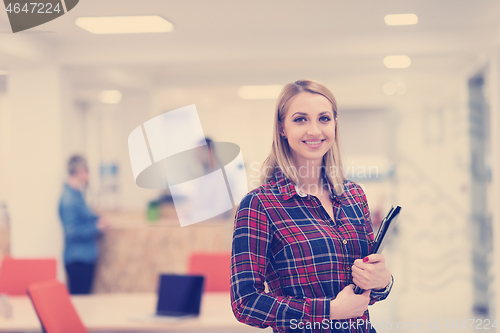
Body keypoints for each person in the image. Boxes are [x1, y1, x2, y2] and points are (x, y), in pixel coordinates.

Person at [230, 80, 393, 333]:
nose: (315, 130)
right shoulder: (259, 205)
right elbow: (245, 303)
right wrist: (330, 311)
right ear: (282, 128)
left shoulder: (353, 195)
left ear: (335, 125)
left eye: (324, 118)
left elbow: (363, 294)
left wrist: (382, 281)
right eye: (300, 119)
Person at [59, 155, 109, 294]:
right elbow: (72, 231)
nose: (88, 176)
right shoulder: (68, 199)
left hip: (86, 258)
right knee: (80, 303)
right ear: (80, 171)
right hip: (77, 260)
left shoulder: (78, 195)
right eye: (87, 171)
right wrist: (96, 227)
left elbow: (86, 216)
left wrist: (98, 219)